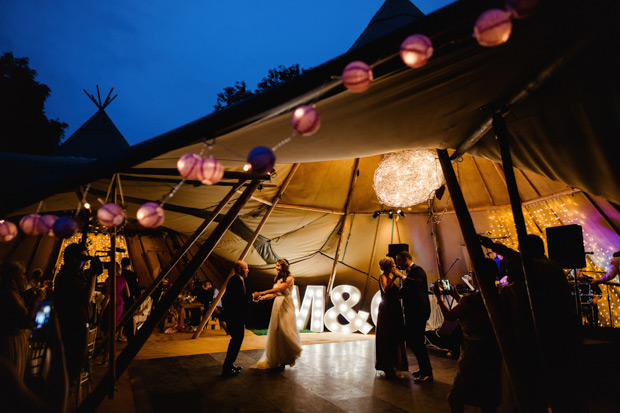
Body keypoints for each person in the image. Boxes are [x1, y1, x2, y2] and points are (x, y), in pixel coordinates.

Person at [479, 234, 584, 412]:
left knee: (555, 381)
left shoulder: (543, 267)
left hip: (557, 329)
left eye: (522, 249)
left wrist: (494, 246)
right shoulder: (550, 266)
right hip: (561, 326)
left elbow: (519, 260)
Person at [433, 260, 502, 413]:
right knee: (488, 398)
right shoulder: (499, 295)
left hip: (474, 352)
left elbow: (450, 316)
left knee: (456, 397)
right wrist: (457, 297)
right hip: (493, 350)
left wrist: (438, 297)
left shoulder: (471, 300)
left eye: (473, 275)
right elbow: (473, 311)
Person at [54, 243, 102, 384]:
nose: (85, 262)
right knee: (73, 363)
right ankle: (64, 395)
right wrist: (93, 274)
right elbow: (86, 298)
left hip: (73, 323)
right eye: (83, 258)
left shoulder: (69, 274)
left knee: (73, 363)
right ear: (74, 259)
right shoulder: (68, 276)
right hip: (73, 325)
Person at [252, 258, 302, 370]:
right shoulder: (276, 278)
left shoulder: (289, 278)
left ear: (284, 266)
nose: (276, 267)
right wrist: (263, 297)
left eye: (278, 265)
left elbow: (281, 288)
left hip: (286, 303)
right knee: (277, 331)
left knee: (286, 330)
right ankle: (280, 359)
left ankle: (290, 354)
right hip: (277, 303)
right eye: (276, 265)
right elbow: (274, 294)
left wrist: (262, 292)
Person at [0, 261, 42, 380]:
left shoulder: (14, 294)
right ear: (15, 276)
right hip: (12, 343)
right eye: (22, 274)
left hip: (16, 340)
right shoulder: (10, 295)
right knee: (12, 377)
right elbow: (27, 321)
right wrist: (37, 301)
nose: (24, 277)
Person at [396, 251, 433, 383]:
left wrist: (402, 277)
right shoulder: (410, 272)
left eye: (399, 261)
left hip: (419, 312)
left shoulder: (418, 270)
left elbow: (417, 283)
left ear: (406, 259)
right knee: (414, 342)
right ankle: (423, 369)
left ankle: (427, 373)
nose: (398, 264)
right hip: (413, 312)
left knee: (417, 342)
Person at [375, 257, 408, 379]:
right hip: (387, 309)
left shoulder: (392, 278)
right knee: (388, 336)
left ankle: (396, 366)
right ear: (387, 266)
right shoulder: (383, 277)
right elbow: (386, 290)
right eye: (393, 264)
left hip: (395, 307)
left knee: (396, 336)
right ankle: (390, 368)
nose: (395, 266)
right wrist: (395, 277)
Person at [221, 260, 253, 376]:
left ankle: (230, 364)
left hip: (235, 316)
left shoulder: (238, 279)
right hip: (235, 317)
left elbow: (239, 298)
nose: (248, 270)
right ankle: (227, 368)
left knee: (236, 341)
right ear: (239, 269)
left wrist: (250, 299)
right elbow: (238, 299)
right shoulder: (235, 280)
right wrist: (252, 296)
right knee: (236, 341)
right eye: (246, 268)